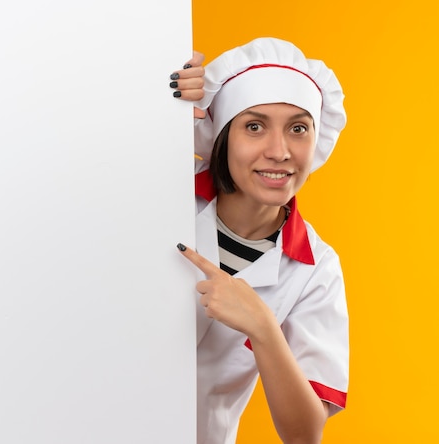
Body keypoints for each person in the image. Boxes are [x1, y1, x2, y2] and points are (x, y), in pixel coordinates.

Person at [169, 38, 349, 444]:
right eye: (254, 126)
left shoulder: (315, 269)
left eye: (298, 129)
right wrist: (154, 84)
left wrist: (263, 326)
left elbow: (305, 435)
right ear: (223, 136)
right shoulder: (162, 192)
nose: (279, 151)